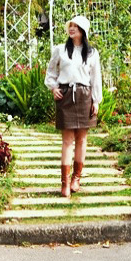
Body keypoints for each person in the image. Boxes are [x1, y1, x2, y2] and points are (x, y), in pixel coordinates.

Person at [44, 14, 102, 198]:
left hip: (85, 96)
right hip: (66, 95)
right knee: (67, 139)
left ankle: (77, 178)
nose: (71, 29)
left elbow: (96, 79)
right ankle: (65, 183)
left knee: (82, 139)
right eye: (71, 26)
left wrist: (96, 101)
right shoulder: (60, 50)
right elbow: (51, 71)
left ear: (83, 31)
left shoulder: (92, 53)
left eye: (76, 26)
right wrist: (53, 88)